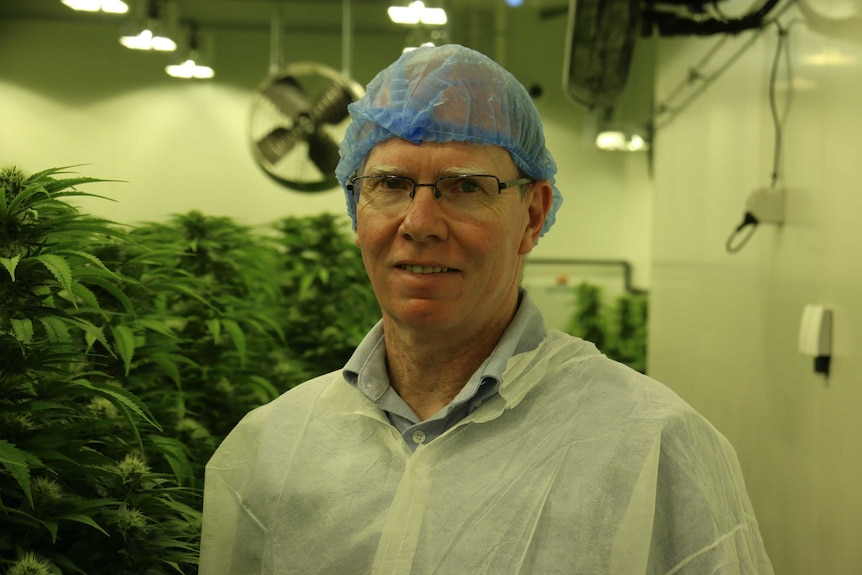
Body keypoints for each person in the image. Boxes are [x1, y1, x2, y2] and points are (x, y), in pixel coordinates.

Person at [199, 44, 773, 574]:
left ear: (531, 214)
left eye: (465, 187)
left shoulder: (653, 448)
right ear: (356, 208)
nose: (419, 224)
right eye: (391, 184)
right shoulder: (269, 450)